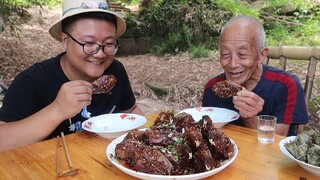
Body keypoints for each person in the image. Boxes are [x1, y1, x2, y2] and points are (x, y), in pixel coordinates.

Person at [0, 0, 143, 152]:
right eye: (88, 43)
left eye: (108, 44)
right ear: (65, 40)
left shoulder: (115, 71)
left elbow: (131, 111)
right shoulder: (32, 81)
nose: (100, 54)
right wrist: (57, 110)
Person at [202, 15, 308, 136]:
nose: (232, 64)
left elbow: (277, 142)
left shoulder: (286, 84)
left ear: (261, 55)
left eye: (242, 54)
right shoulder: (212, 88)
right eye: (225, 54)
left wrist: (251, 118)